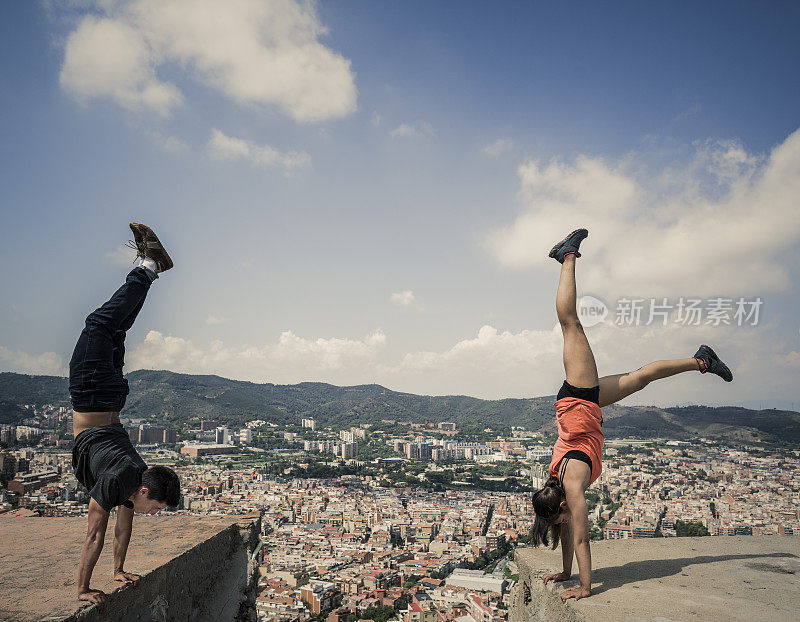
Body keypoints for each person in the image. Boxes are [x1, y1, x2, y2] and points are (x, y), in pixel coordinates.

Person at [532, 228, 733, 602]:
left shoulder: (571, 488)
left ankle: (567, 256)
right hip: (586, 404)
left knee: (570, 322)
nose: (561, 523)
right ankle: (702, 359)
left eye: (558, 518)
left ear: (561, 505)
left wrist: (586, 586)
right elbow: (566, 531)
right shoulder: (556, 486)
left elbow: (580, 535)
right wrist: (564, 572)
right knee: (641, 378)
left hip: (579, 398)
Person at [69, 223, 181, 611]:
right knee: (100, 324)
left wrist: (118, 571)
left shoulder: (136, 479)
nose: (152, 515)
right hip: (93, 393)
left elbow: (123, 526)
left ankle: (150, 267)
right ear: (146, 492)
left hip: (112, 397)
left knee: (115, 327)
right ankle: (150, 265)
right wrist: (83, 589)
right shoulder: (121, 479)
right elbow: (93, 535)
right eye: (156, 509)